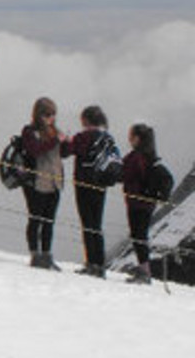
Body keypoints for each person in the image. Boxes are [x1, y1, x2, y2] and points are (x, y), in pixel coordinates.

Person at [63, 105, 115, 278]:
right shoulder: (107, 138)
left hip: (83, 185)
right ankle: (100, 265)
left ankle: (91, 263)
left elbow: (65, 152)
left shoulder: (82, 137)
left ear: (86, 120)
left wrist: (65, 140)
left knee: (87, 224)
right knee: (97, 225)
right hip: (100, 186)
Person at [19, 97, 65, 271]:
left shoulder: (55, 131)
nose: (50, 118)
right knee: (35, 218)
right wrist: (55, 141)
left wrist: (67, 144)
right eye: (47, 115)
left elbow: (62, 154)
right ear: (38, 115)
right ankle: (35, 254)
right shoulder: (29, 131)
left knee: (49, 221)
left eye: (53, 114)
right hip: (36, 183)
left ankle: (47, 255)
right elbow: (35, 150)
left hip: (54, 182)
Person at [121, 123, 162, 285]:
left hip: (136, 202)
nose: (129, 139)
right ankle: (144, 269)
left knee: (138, 235)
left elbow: (123, 173)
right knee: (140, 235)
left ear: (137, 138)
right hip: (148, 203)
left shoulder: (136, 157)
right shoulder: (151, 156)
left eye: (131, 136)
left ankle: (144, 272)